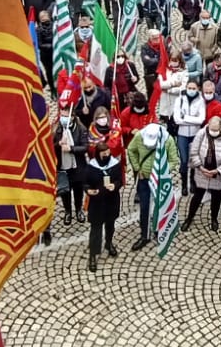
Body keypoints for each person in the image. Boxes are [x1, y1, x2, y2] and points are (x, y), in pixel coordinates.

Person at [186, 117, 221, 233]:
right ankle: (189, 218)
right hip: (201, 173)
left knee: (216, 199)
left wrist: (218, 170)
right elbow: (194, 152)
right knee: (197, 197)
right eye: (211, 129)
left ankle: (214, 219)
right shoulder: (201, 134)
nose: (213, 132)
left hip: (218, 176)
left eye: (215, 130)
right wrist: (200, 167)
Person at [82, 141, 122, 273]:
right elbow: (86, 183)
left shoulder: (114, 164)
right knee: (96, 230)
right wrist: (89, 190)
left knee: (110, 225)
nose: (106, 155)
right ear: (98, 154)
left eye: (108, 153)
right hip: (97, 202)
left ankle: (109, 243)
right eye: (104, 153)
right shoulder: (91, 167)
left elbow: (119, 180)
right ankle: (93, 255)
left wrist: (114, 186)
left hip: (111, 200)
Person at [125, 121, 165, 252]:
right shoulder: (139, 137)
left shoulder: (167, 139)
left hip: (160, 179)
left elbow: (173, 158)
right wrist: (137, 168)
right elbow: (131, 150)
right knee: (145, 207)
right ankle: (144, 235)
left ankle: (158, 230)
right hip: (144, 179)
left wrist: (164, 172)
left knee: (159, 205)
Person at [55, 104, 88, 224]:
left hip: (77, 167)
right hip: (63, 167)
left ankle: (79, 210)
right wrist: (59, 144)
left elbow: (85, 147)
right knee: (65, 191)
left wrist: (71, 148)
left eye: (66, 116)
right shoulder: (57, 129)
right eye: (62, 115)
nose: (63, 118)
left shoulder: (81, 129)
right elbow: (50, 146)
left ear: (72, 116)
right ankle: (68, 211)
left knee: (78, 191)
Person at [171, 82, 207, 193]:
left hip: (195, 134)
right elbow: (177, 119)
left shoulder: (201, 101)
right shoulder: (180, 100)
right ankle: (184, 185)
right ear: (186, 88)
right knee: (184, 160)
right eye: (189, 88)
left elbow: (201, 119)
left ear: (198, 89)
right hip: (182, 134)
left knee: (194, 160)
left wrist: (185, 118)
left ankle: (192, 182)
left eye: (193, 88)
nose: (191, 90)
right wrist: (193, 119)